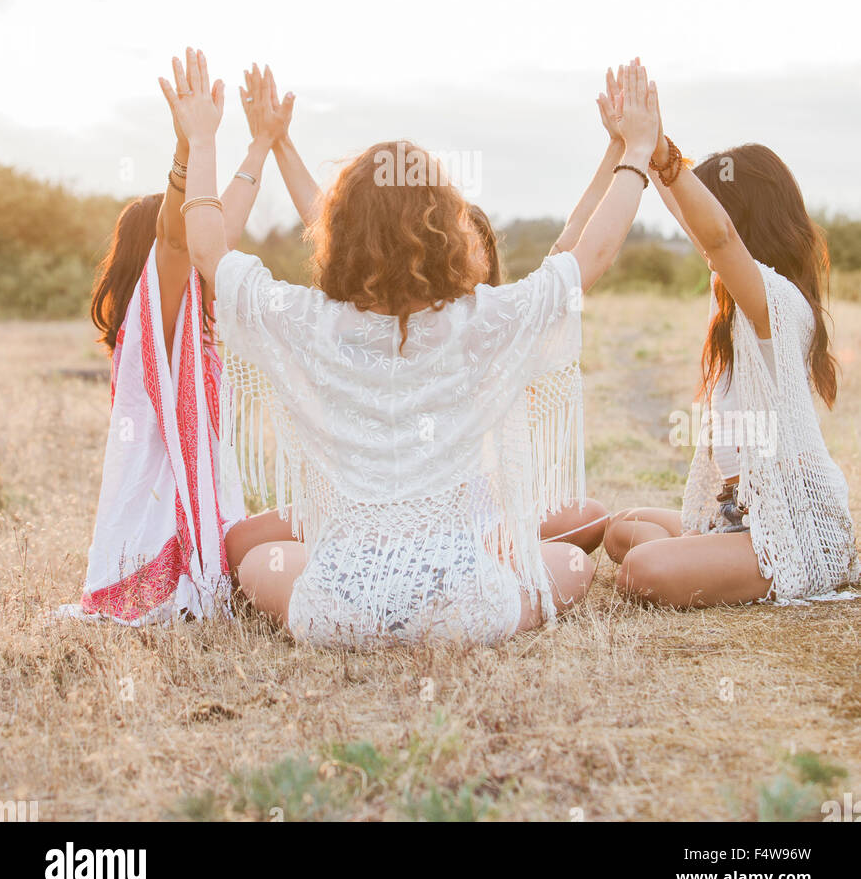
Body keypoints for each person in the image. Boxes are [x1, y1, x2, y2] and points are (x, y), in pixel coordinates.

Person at [165, 49, 660, 647]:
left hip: (337, 609)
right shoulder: (479, 323)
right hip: (462, 605)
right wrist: (633, 153)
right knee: (574, 567)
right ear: (449, 228)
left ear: (334, 231)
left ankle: (373, 621)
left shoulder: (311, 324)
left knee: (254, 564)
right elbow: (587, 259)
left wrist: (203, 141)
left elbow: (207, 253)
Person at [602, 62, 860, 607]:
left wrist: (667, 158)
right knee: (620, 528)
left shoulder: (780, 304)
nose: (704, 241)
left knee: (642, 570)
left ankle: (717, 557)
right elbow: (706, 231)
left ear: (745, 223)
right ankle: (708, 550)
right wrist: (641, 146)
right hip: (737, 513)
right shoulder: (744, 304)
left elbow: (716, 238)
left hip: (793, 527)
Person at [60, 56, 284, 624]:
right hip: (166, 556)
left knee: (331, 511)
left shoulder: (183, 328)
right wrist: (190, 147)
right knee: (326, 515)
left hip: (209, 534)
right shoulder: (154, 322)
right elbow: (182, 239)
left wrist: (261, 143)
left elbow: (216, 229)